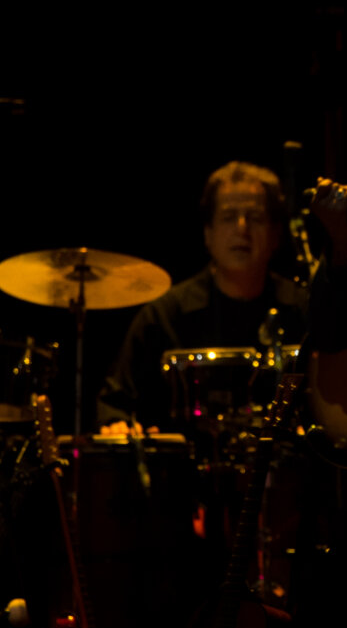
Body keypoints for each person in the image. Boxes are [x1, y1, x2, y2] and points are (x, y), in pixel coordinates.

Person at [96, 161, 306, 437]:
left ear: (276, 234)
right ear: (208, 233)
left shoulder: (304, 309)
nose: (242, 229)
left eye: (255, 217)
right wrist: (118, 425)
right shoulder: (165, 316)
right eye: (229, 217)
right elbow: (115, 405)